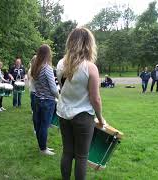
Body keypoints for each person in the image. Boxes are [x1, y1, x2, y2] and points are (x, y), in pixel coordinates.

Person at [56, 27, 106, 180]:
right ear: (88, 44)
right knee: (81, 156)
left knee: (67, 152)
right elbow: (95, 99)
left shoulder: (60, 63)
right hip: (83, 117)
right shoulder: (90, 67)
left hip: (63, 114)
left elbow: (62, 88)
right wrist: (100, 118)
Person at [31, 45, 59, 156]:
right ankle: (43, 149)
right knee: (44, 125)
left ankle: (42, 146)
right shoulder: (47, 68)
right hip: (47, 101)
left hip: (38, 99)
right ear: (48, 54)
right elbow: (53, 88)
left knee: (38, 124)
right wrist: (59, 97)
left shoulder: (35, 67)